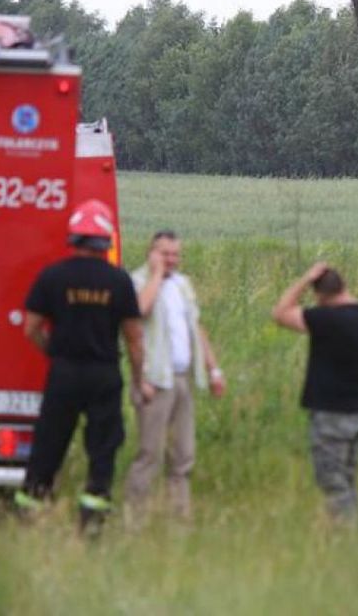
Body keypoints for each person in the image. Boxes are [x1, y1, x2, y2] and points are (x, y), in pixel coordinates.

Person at [14, 199, 145, 535]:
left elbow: (30, 327)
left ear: (74, 238)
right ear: (105, 241)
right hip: (103, 375)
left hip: (64, 373)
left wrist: (55, 352)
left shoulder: (53, 276)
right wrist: (138, 379)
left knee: (48, 445)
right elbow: (133, 338)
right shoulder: (119, 281)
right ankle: (92, 522)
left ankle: (30, 514)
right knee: (103, 448)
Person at [271, 262, 358, 523]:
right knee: (348, 476)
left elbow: (280, 313)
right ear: (343, 285)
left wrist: (305, 278)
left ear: (320, 295)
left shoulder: (323, 318)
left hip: (329, 414)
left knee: (333, 483)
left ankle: (345, 536)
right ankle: (349, 525)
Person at [124, 230, 224, 523]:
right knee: (149, 453)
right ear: (151, 253)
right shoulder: (137, 281)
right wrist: (156, 274)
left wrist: (213, 368)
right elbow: (141, 310)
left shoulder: (183, 285)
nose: (171, 260)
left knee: (182, 454)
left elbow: (196, 328)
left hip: (183, 378)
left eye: (175, 254)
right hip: (154, 379)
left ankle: (179, 522)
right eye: (165, 254)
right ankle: (135, 521)